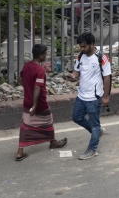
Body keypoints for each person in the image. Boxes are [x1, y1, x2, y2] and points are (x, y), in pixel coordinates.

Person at [16, 44, 67, 160]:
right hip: (39, 103)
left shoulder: (26, 66)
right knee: (48, 121)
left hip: (27, 101)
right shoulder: (40, 70)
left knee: (25, 126)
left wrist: (27, 90)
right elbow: (37, 88)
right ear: (40, 56)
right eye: (45, 54)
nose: (46, 56)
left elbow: (21, 79)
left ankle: (20, 152)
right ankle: (53, 142)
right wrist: (35, 105)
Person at [69, 32, 111, 160]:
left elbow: (107, 77)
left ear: (92, 44)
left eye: (84, 46)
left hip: (94, 98)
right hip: (81, 96)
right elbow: (77, 71)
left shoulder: (102, 58)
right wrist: (73, 76)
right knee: (76, 117)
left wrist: (105, 97)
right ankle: (97, 132)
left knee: (94, 123)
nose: (82, 49)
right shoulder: (80, 56)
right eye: (80, 47)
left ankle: (92, 149)